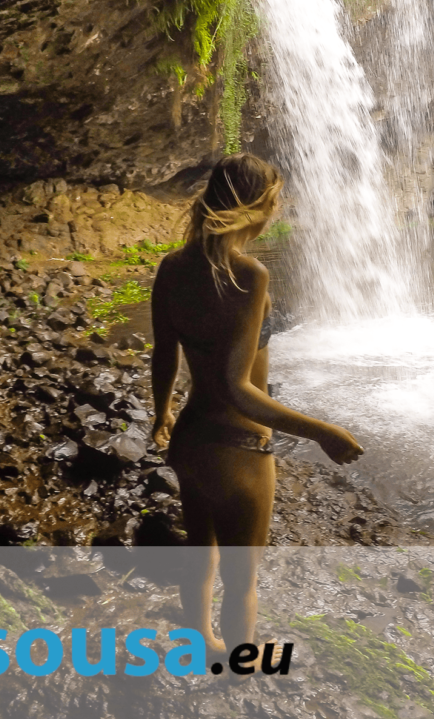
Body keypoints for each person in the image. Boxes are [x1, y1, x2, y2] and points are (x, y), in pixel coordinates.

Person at [150, 153, 363, 666]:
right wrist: (322, 431)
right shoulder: (250, 274)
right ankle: (240, 671)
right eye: (275, 200)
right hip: (239, 450)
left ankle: (201, 642)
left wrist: (161, 416)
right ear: (258, 208)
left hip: (191, 440)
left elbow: (164, 353)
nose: (277, 209)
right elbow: (239, 387)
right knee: (242, 581)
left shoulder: (172, 267)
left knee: (200, 554)